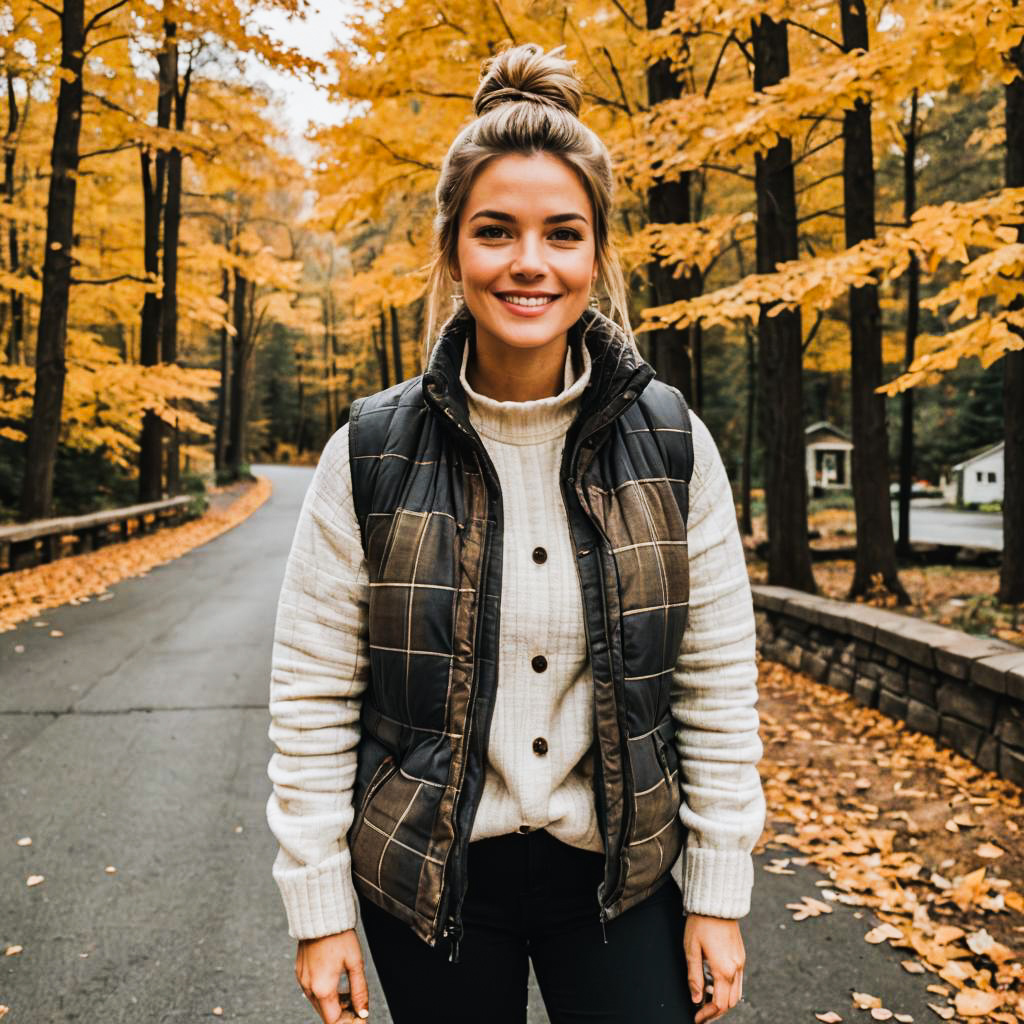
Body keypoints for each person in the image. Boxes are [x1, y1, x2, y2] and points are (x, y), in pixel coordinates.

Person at [266, 41, 766, 1024]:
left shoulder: (669, 441)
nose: (528, 262)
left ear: (595, 254)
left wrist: (716, 890)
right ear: (455, 248)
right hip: (429, 881)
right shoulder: (369, 452)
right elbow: (312, 692)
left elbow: (715, 678)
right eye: (496, 231)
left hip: (618, 875)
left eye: (561, 233)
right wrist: (318, 908)